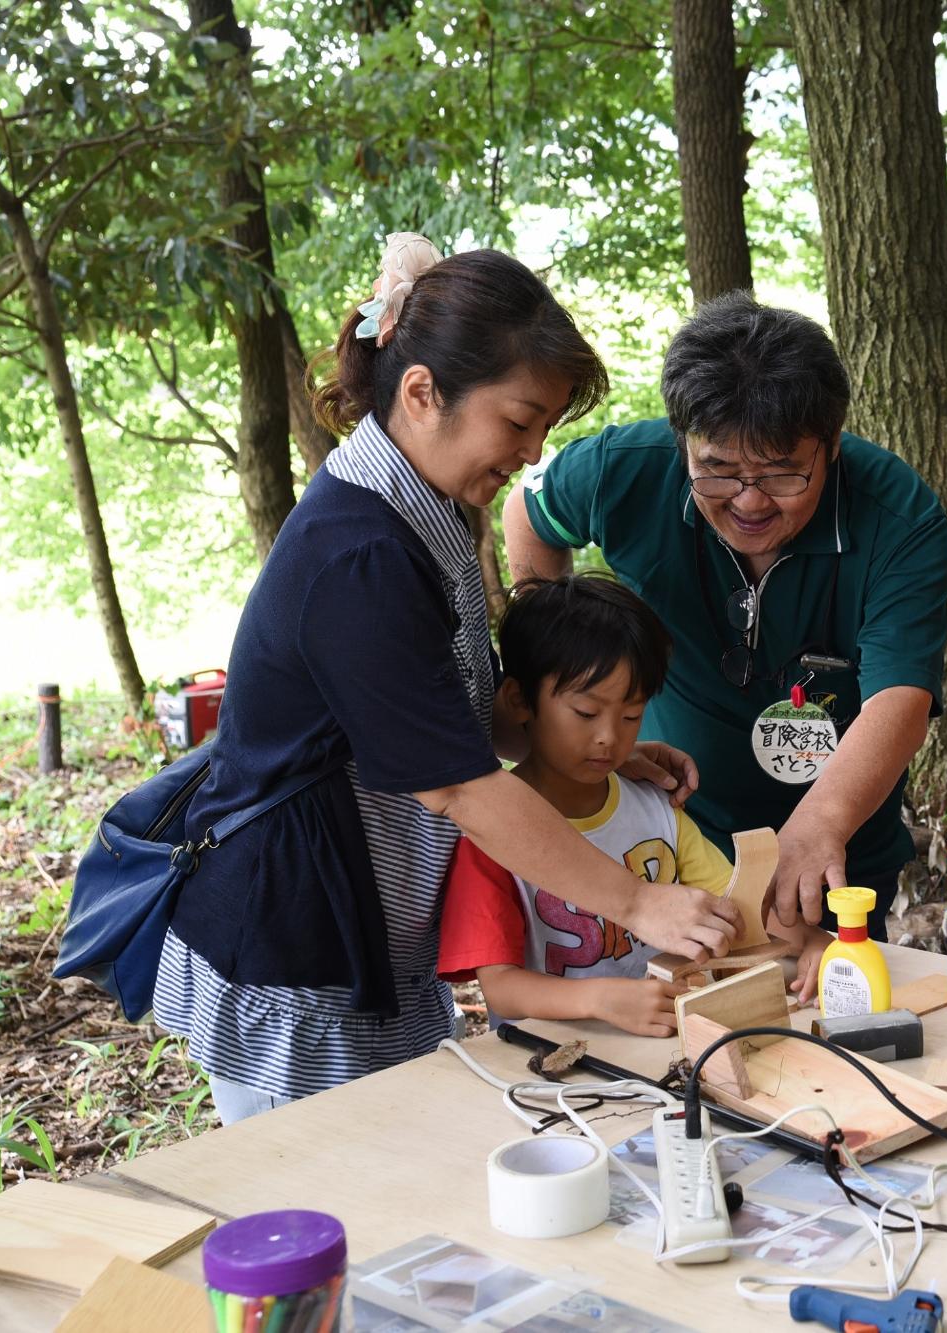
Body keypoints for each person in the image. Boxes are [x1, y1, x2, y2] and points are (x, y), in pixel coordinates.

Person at [153, 239, 739, 1124]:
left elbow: (448, 719)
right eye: (519, 420)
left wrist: (584, 747)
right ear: (423, 391)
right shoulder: (362, 552)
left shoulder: (424, 510)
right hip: (299, 940)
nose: (534, 450)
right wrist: (636, 900)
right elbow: (458, 784)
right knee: (320, 1209)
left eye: (544, 426)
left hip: (365, 924)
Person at [502, 293, 947, 939]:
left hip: (830, 854)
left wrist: (822, 819)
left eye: (780, 474)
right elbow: (528, 511)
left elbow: (900, 700)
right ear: (682, 438)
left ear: (831, 443)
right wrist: (563, 679)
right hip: (664, 839)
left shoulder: (898, 516)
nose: (747, 501)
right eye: (716, 469)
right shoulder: (625, 469)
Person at [436, 575, 831, 1035]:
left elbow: (734, 910)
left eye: (631, 716)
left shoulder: (655, 808)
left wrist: (813, 942)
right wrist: (600, 1000)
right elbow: (502, 989)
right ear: (520, 701)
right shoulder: (493, 828)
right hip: (552, 1066)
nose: (609, 737)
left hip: (658, 1052)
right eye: (586, 713)